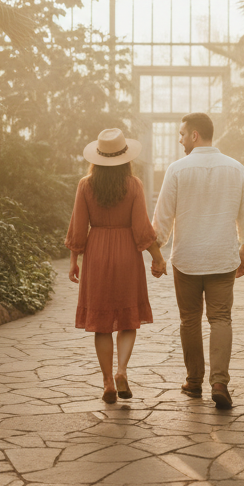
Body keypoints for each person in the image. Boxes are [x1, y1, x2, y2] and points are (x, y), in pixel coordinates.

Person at [151, 112, 244, 410]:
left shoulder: (177, 169)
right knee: (221, 318)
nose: (180, 140)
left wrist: (157, 251)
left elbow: (163, 217)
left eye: (182, 134)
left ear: (195, 135)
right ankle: (219, 382)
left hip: (187, 259)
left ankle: (194, 381)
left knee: (190, 319)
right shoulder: (236, 168)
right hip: (223, 257)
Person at [67, 127, 168, 404]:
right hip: (126, 254)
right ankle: (122, 370)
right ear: (125, 157)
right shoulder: (133, 185)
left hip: (96, 253)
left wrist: (75, 261)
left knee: (101, 324)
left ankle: (107, 381)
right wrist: (157, 258)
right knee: (127, 318)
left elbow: (78, 226)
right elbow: (141, 229)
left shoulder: (85, 185)